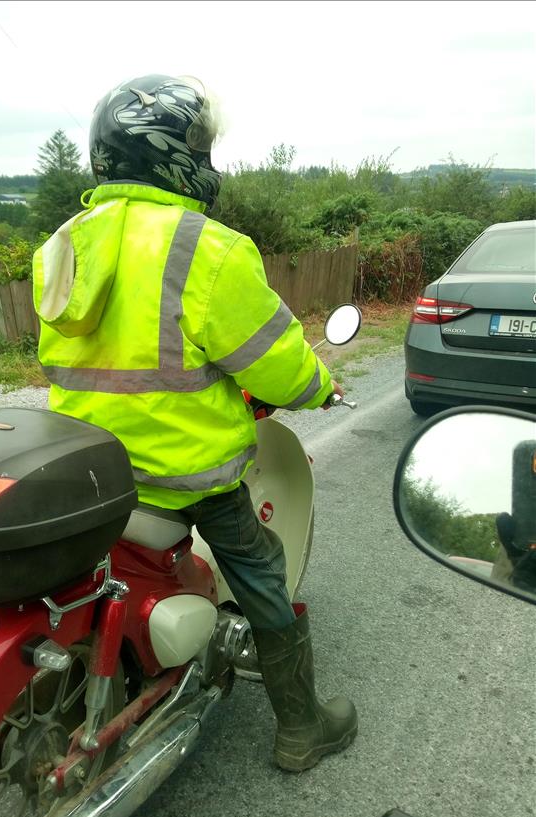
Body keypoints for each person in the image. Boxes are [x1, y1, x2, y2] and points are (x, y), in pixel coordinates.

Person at [32, 74, 358, 772]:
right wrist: (319, 386)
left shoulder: (64, 243)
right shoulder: (208, 249)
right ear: (175, 156)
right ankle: (302, 729)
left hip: (87, 470)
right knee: (262, 569)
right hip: (183, 477)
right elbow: (277, 368)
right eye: (199, 146)